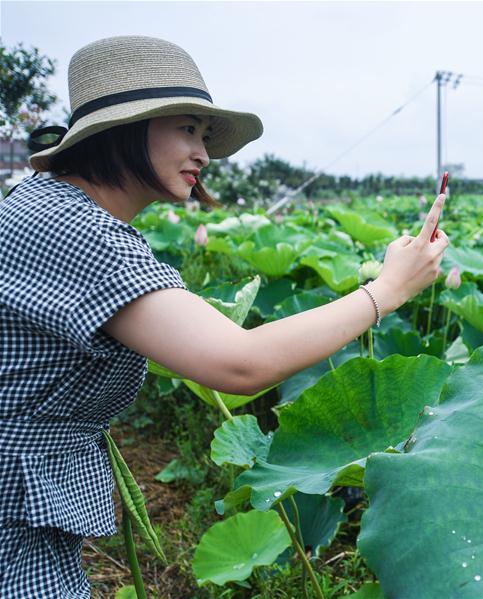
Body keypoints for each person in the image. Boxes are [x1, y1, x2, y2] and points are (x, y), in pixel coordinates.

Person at [0, 35, 449, 597]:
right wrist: (388, 289)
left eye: (204, 135)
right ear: (122, 130)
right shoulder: (79, 231)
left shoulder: (45, 203)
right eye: (188, 128)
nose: (204, 154)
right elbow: (239, 365)